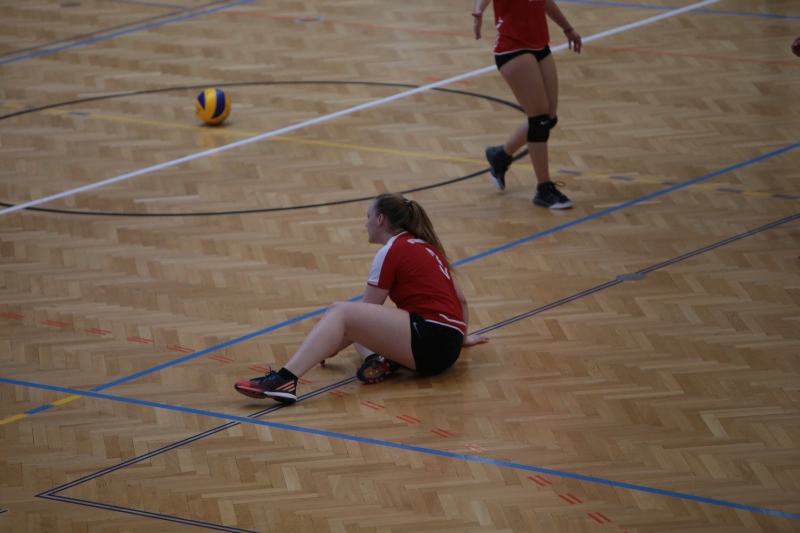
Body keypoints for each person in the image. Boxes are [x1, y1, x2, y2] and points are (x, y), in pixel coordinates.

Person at [235, 192, 490, 404]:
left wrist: (327, 347)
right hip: (447, 348)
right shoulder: (427, 247)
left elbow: (360, 316)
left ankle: (284, 380)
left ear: (380, 220)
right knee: (349, 319)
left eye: (368, 217)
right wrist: (462, 339)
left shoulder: (391, 250)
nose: (365, 224)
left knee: (340, 311)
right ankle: (377, 361)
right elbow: (461, 300)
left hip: (429, 342)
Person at [473, 0, 582, 209]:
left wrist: (567, 28)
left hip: (540, 45)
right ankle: (544, 189)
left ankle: (500, 155)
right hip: (513, 48)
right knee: (539, 120)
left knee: (549, 118)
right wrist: (478, 10)